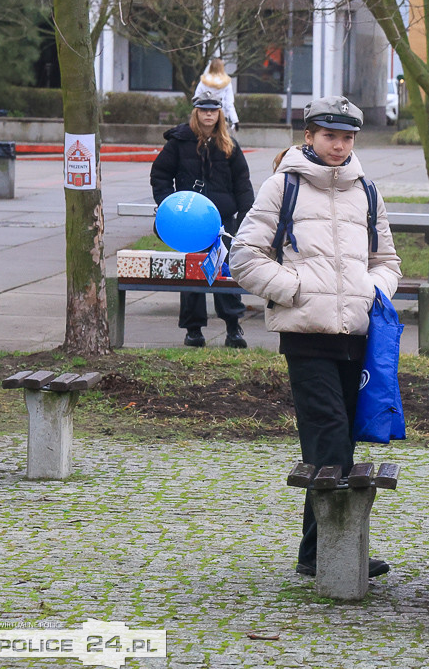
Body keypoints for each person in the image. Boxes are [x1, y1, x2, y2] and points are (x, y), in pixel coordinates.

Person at [229, 96, 401, 580]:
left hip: (357, 337)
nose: (339, 145)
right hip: (307, 337)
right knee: (329, 442)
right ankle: (337, 552)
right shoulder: (281, 186)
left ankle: (315, 550)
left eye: (347, 137)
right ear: (309, 135)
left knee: (336, 443)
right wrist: (294, 290)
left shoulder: (366, 190)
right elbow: (244, 256)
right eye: (330, 135)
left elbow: (387, 261)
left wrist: (373, 292)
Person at [150, 88, 254, 348]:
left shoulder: (229, 144)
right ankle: (193, 329)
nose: (209, 115)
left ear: (219, 114)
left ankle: (233, 327)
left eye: (213, 110)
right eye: (204, 110)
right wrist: (169, 207)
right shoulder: (178, 141)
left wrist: (245, 216)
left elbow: (242, 182)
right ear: (196, 112)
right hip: (189, 222)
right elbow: (160, 175)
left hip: (222, 221)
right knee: (192, 275)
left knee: (224, 273)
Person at [194, 58, 240, 131]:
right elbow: (229, 104)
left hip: (205, 116)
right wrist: (235, 120)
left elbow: (196, 99)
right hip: (221, 116)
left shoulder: (203, 82)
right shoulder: (226, 83)